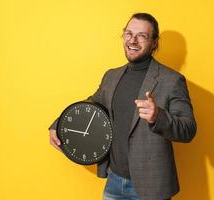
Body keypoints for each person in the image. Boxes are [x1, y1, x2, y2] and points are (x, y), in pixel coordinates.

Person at [49, 13, 197, 200]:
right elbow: (93, 104)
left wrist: (157, 116)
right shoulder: (111, 76)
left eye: (141, 36)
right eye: (129, 34)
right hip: (114, 181)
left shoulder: (172, 80)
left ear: (154, 43)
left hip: (151, 187)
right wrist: (58, 124)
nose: (133, 40)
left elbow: (188, 129)